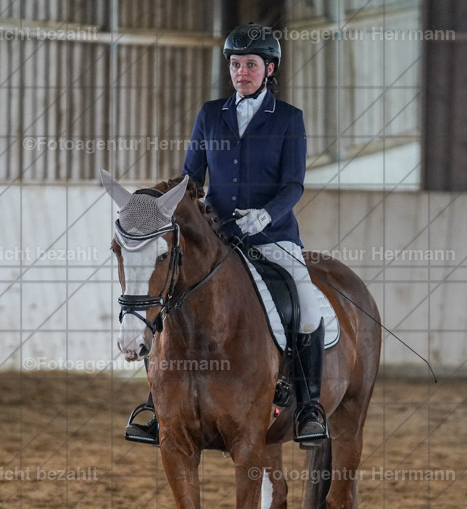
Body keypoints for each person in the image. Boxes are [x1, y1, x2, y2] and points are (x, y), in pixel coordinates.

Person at [125, 22, 328, 446]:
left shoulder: (288, 119)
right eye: (235, 65)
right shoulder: (210, 114)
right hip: (216, 237)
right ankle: (156, 403)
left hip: (273, 236)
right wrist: (156, 201)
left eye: (251, 65)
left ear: (269, 69)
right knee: (168, 296)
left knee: (308, 308)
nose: (241, 72)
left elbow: (294, 184)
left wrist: (266, 216)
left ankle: (309, 407)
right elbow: (190, 178)